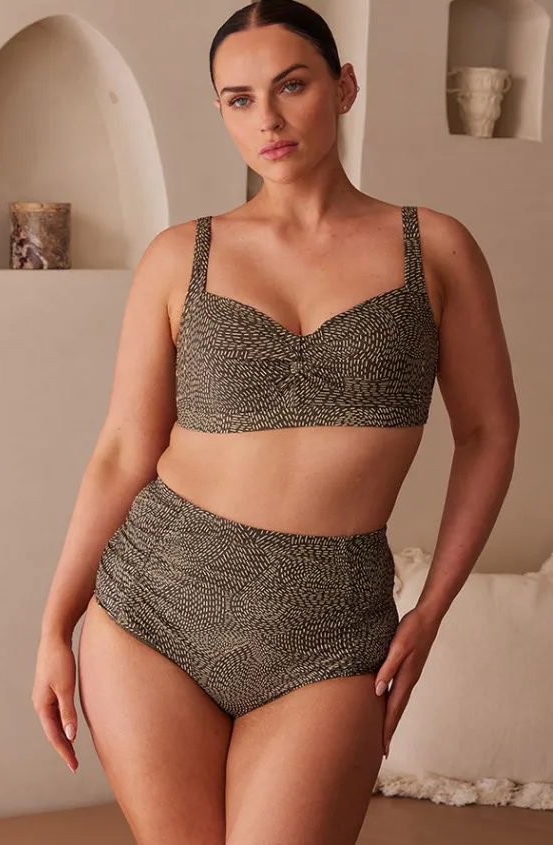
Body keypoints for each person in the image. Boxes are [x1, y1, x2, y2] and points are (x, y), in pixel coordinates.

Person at [32, 1, 520, 842]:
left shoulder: (436, 248)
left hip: (332, 626)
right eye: (240, 98)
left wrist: (431, 609)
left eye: (292, 85)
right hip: (157, 607)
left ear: (344, 86)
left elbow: (489, 434)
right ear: (221, 110)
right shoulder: (178, 256)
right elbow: (121, 451)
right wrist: (54, 624)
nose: (268, 118)